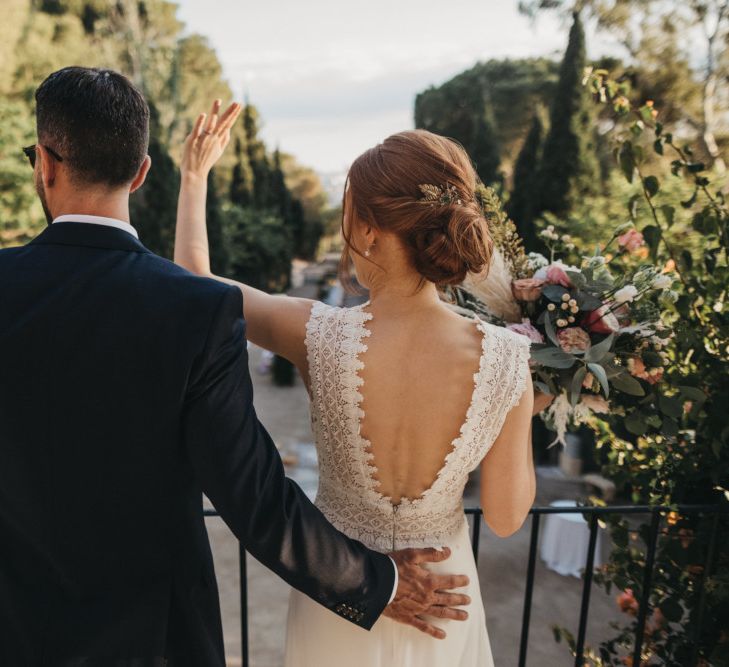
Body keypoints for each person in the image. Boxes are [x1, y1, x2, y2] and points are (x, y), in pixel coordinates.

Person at [0, 68, 470, 667]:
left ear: (44, 162)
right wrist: (378, 583)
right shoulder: (195, 310)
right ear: (143, 172)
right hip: (156, 641)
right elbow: (254, 496)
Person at [175, 100, 553, 666]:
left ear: (369, 230)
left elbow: (194, 285)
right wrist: (525, 404)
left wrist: (194, 177)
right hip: (445, 603)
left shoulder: (316, 334)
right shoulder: (507, 359)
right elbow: (504, 516)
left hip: (344, 594)